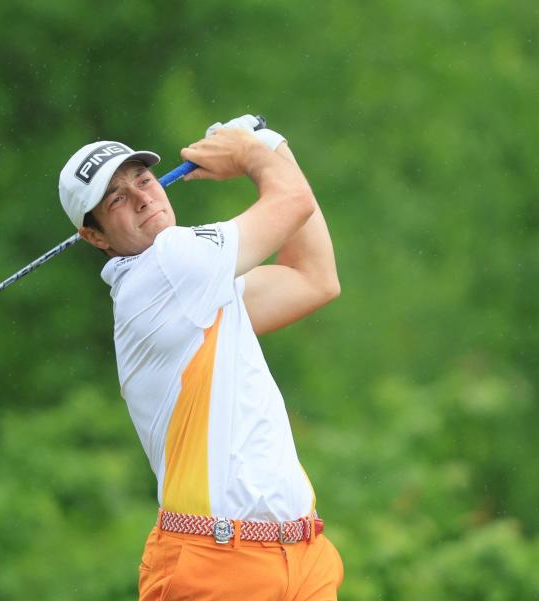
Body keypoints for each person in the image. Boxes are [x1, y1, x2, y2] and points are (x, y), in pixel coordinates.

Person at [58, 115, 343, 600]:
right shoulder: (167, 266)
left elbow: (314, 278)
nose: (144, 197)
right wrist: (254, 152)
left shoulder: (197, 285)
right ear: (96, 238)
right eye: (117, 200)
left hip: (303, 558)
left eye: (143, 180)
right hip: (216, 566)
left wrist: (270, 144)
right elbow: (291, 201)